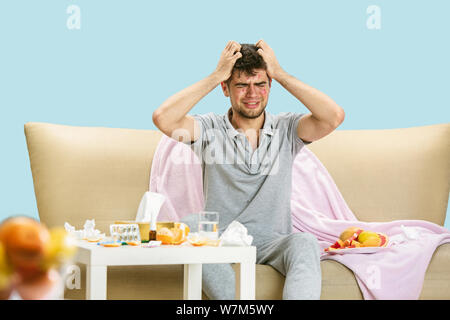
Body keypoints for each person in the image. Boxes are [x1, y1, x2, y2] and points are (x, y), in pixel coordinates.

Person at [152, 40, 345, 300]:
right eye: (242, 85)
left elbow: (333, 116)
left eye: (260, 84)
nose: (252, 94)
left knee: (305, 242)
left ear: (270, 86)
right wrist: (216, 74)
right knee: (189, 226)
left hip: (273, 242)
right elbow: (164, 118)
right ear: (226, 88)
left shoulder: (286, 129)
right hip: (221, 240)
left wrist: (279, 72)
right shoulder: (209, 129)